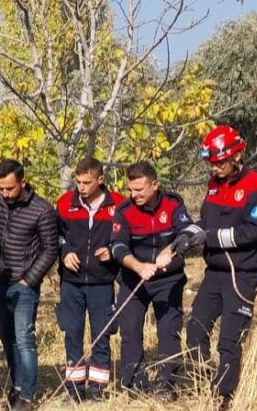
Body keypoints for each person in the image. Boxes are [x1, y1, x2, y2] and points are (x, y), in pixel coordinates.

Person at [185, 125, 257, 409]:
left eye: (219, 162)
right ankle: (203, 381)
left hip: (243, 273)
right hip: (214, 273)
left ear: (236, 156)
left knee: (229, 341)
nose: (214, 168)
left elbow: (252, 233)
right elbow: (206, 222)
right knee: (195, 329)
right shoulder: (214, 185)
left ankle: (222, 398)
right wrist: (188, 233)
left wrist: (207, 237)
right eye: (210, 163)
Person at [0, 159, 58, 409]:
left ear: (23, 183)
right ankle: (17, 385)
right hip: (1, 280)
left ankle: (27, 396)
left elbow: (50, 250)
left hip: (24, 284)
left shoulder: (42, 209)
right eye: (1, 188)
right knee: (6, 337)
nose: (4, 193)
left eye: (9, 188)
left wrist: (29, 280)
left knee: (24, 337)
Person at [110, 160, 193, 399]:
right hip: (133, 279)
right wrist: (138, 266)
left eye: (139, 189)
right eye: (130, 189)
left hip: (169, 280)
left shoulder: (173, 203)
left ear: (155, 185)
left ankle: (167, 385)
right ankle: (135, 383)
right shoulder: (124, 210)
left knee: (168, 330)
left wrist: (173, 248)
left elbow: (190, 231)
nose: (133, 194)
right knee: (130, 330)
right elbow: (117, 247)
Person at [54, 157, 124, 402]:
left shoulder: (118, 204)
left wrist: (112, 250)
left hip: (102, 282)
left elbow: (125, 237)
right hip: (71, 282)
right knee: (72, 333)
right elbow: (55, 235)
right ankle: (74, 387)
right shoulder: (64, 203)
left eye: (86, 182)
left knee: (101, 334)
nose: (81, 187)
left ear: (100, 180)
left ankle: (97, 387)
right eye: (78, 181)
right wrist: (64, 252)